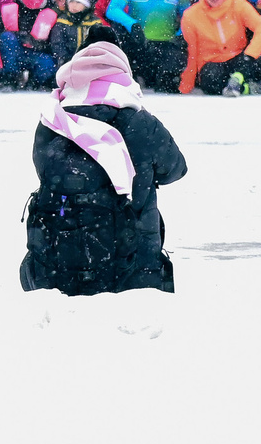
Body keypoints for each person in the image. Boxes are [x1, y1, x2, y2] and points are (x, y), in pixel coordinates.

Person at [20, 41, 188, 297]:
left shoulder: (52, 119)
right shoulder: (138, 120)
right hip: (133, 270)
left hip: (57, 267)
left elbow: (43, 170)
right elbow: (175, 169)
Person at [179, 0, 261, 96]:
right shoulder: (191, 15)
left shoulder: (238, 4)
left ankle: (240, 79)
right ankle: (245, 87)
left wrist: (250, 55)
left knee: (251, 58)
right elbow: (192, 51)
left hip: (238, 57)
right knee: (210, 82)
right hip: (211, 62)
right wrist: (186, 84)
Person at [0, 0, 61, 90]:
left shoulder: (50, 13)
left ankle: (37, 81)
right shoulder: (10, 10)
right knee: (7, 37)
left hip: (37, 53)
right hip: (14, 53)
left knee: (47, 64)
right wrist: (16, 37)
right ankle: (11, 78)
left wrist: (40, 45)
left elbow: (56, 42)